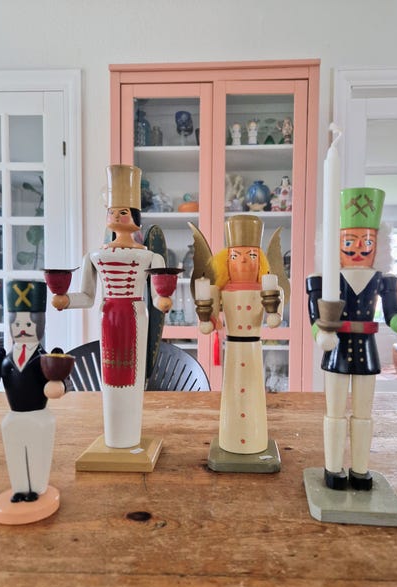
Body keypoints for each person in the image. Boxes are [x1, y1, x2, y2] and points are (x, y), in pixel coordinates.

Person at [306, 188, 397, 491]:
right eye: (349, 242)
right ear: (334, 244)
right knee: (334, 413)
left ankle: (360, 470)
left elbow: (393, 314)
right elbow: (315, 318)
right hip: (336, 351)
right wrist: (321, 334)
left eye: (366, 242)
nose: (358, 249)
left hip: (367, 352)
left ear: (378, 245)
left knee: (363, 414)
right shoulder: (324, 280)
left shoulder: (384, 280)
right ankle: (333, 469)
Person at [52, 165, 172, 450]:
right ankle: (115, 438)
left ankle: (130, 437)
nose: (117, 216)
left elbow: (158, 295)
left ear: (136, 217)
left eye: (124, 212)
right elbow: (87, 296)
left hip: (136, 316)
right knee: (111, 377)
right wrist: (65, 300)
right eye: (112, 211)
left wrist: (163, 301)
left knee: (133, 378)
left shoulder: (150, 257)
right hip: (107, 315)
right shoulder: (95, 256)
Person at [0, 280, 67, 521]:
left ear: (40, 324)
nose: (22, 329)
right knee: (15, 452)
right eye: (17, 324)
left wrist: (59, 386)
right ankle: (21, 489)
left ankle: (37, 488)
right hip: (13, 417)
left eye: (28, 324)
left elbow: (64, 379)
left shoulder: (46, 359)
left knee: (36, 452)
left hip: (39, 415)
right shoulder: (2, 357)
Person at [193, 215, 283, 470]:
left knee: (253, 395)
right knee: (232, 395)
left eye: (251, 255)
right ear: (226, 262)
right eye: (235, 256)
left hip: (253, 350)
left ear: (260, 261)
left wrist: (273, 311)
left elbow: (274, 319)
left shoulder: (270, 289)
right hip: (233, 350)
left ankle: (254, 441)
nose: (243, 261)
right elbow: (208, 322)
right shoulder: (219, 291)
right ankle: (231, 440)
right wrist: (206, 319)